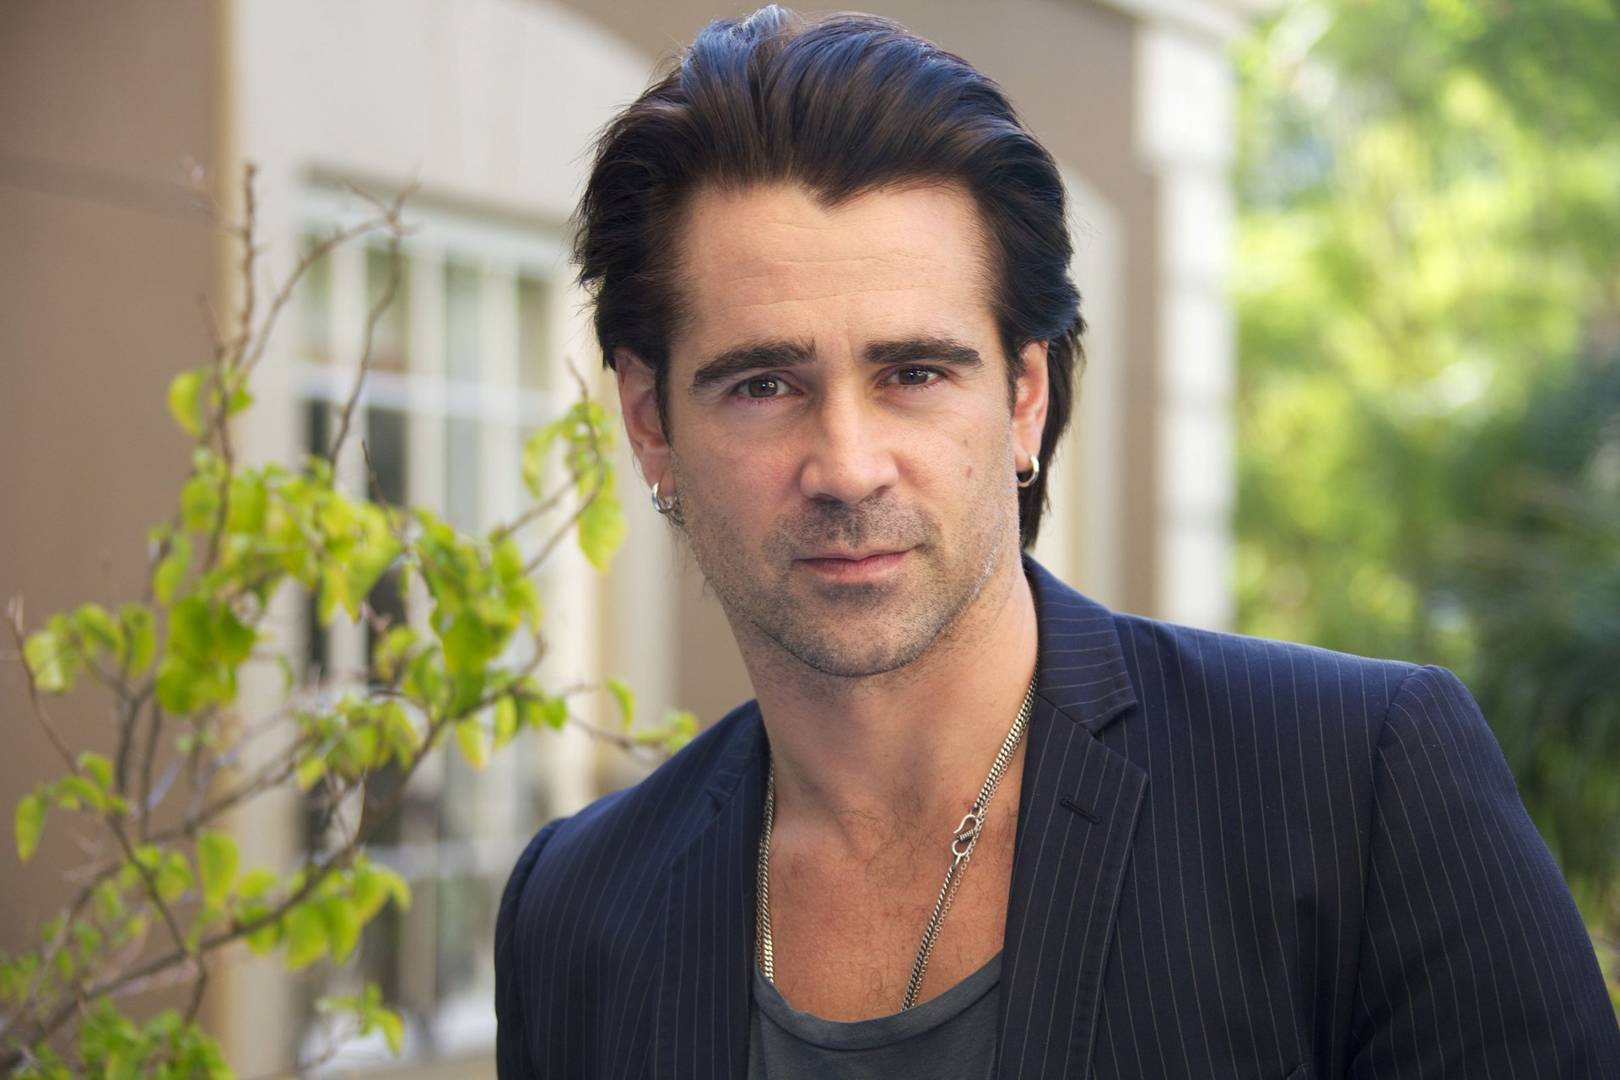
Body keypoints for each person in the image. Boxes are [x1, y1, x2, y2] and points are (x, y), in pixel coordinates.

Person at [494, 7, 1620, 1077]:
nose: (846, 464)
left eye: (914, 373)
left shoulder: (1359, 790)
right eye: (762, 384)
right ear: (650, 422)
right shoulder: (575, 912)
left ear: (1024, 397)